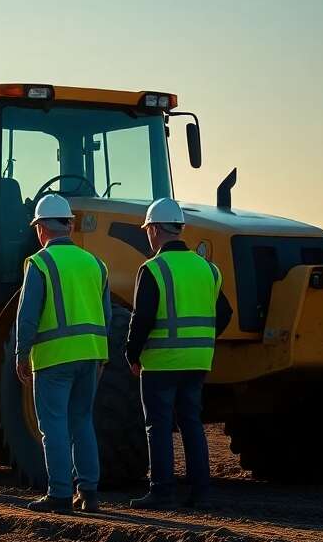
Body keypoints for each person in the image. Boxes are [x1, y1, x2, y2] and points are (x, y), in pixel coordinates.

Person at [126, 198, 233, 509]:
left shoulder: (153, 269)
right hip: (197, 361)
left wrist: (132, 353)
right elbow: (224, 313)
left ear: (156, 230)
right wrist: (202, 340)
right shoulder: (208, 269)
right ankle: (200, 492)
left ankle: (161, 492)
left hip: (161, 362)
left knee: (158, 426)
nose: (148, 235)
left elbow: (141, 318)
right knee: (191, 423)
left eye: (148, 230)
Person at [14, 195, 111, 513]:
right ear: (69, 225)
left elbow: (27, 316)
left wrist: (21, 353)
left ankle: (58, 493)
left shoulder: (39, 263)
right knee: (82, 421)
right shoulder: (96, 263)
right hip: (91, 355)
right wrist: (101, 357)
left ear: (40, 228)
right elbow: (106, 316)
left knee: (53, 425)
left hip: (54, 358)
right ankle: (89, 492)